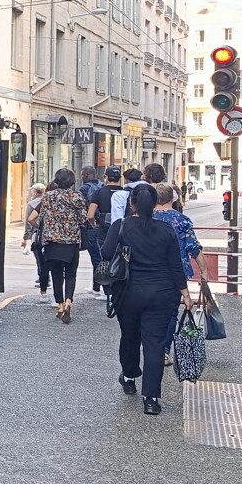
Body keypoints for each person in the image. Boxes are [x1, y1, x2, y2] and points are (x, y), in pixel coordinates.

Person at [101, 184, 194, 415]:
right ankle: (151, 399)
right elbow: (175, 265)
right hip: (162, 293)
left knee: (129, 336)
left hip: (128, 293)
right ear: (154, 204)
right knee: (154, 344)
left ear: (131, 203)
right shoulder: (166, 230)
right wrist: (185, 293)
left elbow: (105, 253)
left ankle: (130, 376)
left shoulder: (120, 226)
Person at [152, 182, 208, 365]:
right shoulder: (181, 220)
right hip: (177, 272)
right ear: (172, 198)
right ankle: (164, 351)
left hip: (149, 270)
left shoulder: (146, 217)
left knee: (148, 311)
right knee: (170, 312)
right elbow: (193, 247)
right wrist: (204, 271)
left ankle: (149, 346)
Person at [27, 169, 86, 323]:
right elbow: (82, 219)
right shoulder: (76, 196)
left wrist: (44, 227)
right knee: (71, 274)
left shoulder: (47, 197)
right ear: (72, 182)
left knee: (56, 274)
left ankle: (59, 306)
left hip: (52, 241)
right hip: (71, 242)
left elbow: (39, 218)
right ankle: (68, 302)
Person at [78, 165, 105, 297]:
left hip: (91, 226)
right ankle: (98, 285)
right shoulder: (103, 186)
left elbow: (83, 208)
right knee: (100, 256)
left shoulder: (84, 188)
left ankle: (99, 286)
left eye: (83, 174)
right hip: (104, 225)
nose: (82, 177)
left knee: (95, 257)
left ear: (88, 175)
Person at [20, 183, 49, 300]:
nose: (32, 193)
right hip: (53, 235)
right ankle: (47, 278)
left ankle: (43, 282)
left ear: (36, 192)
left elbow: (29, 222)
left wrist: (26, 237)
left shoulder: (32, 204)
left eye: (33, 191)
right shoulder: (50, 201)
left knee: (40, 261)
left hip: (37, 236)